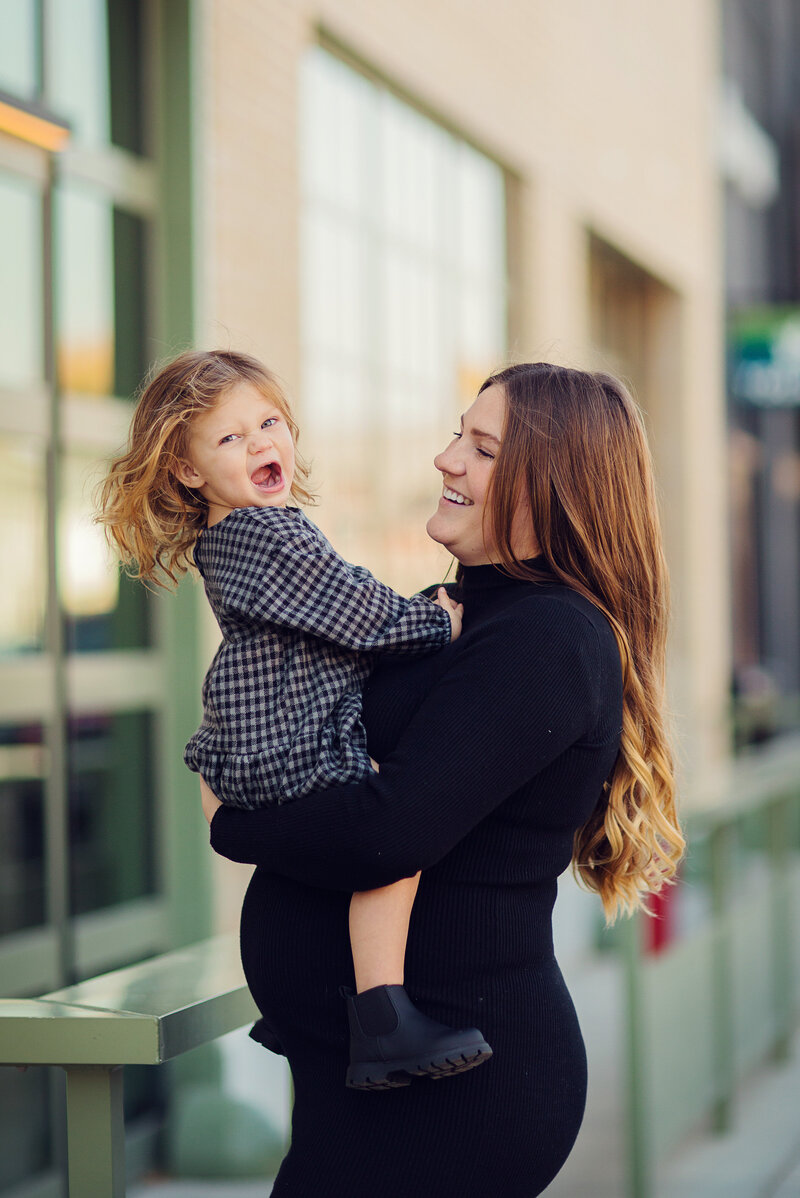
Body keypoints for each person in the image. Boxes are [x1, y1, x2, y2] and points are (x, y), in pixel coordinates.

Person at [201, 362, 685, 1198]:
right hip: (366, 1083)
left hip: (458, 1094)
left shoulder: (547, 639)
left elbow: (387, 831)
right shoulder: (460, 612)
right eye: (460, 434)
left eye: (482, 447)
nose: (446, 460)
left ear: (552, 486)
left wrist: (232, 827)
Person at [96, 349, 493, 1090]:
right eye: (230, 439)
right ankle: (382, 1018)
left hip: (255, 735)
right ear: (187, 471)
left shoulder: (239, 536)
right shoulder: (270, 535)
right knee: (391, 849)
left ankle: (300, 999)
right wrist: (435, 621)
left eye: (269, 422)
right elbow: (357, 613)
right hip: (287, 737)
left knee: (325, 861)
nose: (261, 444)